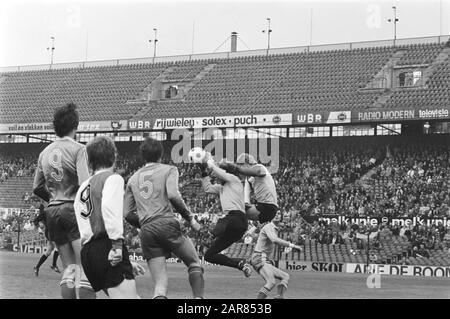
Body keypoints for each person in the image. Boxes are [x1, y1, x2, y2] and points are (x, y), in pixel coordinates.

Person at [124, 137, 204, 299]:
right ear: (161, 154)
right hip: (167, 224)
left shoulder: (132, 179)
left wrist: (145, 224)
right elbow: (174, 195)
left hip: (146, 230)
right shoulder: (169, 170)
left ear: (143, 156)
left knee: (160, 286)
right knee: (194, 263)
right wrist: (191, 219)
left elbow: (126, 213)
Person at [32, 102, 95, 299]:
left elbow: (36, 187)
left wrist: (52, 198)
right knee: (86, 266)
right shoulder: (78, 149)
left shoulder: (44, 152)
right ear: (75, 127)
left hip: (52, 211)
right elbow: (86, 184)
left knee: (69, 268)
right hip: (71, 209)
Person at [74, 136, 144, 298]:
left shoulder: (83, 187)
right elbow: (109, 209)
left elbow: (84, 225)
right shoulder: (112, 178)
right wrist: (117, 247)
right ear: (114, 156)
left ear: (90, 162)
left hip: (88, 253)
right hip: (107, 246)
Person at [200, 153, 252, 277]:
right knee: (209, 256)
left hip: (238, 218)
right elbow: (207, 188)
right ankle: (240, 264)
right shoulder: (221, 187)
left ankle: (210, 236)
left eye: (220, 174)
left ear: (227, 172)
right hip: (233, 229)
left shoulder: (234, 180)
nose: (217, 178)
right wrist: (203, 172)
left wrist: (210, 163)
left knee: (223, 221)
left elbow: (220, 173)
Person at [250, 211, 302, 299]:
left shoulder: (274, 228)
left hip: (263, 258)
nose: (276, 215)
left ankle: (279, 296)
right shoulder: (269, 226)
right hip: (260, 257)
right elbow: (274, 240)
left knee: (285, 276)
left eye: (278, 214)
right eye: (274, 213)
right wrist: (292, 245)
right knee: (271, 282)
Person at [219, 153, 278, 224]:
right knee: (235, 211)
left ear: (247, 163)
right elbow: (246, 193)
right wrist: (246, 203)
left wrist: (234, 167)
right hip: (263, 207)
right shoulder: (249, 180)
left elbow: (250, 172)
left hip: (268, 207)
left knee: (234, 212)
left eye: (241, 165)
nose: (241, 167)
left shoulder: (260, 167)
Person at [33, 203, 60, 276]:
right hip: (50, 233)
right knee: (58, 248)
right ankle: (54, 265)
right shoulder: (46, 212)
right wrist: (39, 229)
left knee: (49, 251)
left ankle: (37, 266)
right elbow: (35, 220)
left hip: (52, 232)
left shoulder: (55, 211)